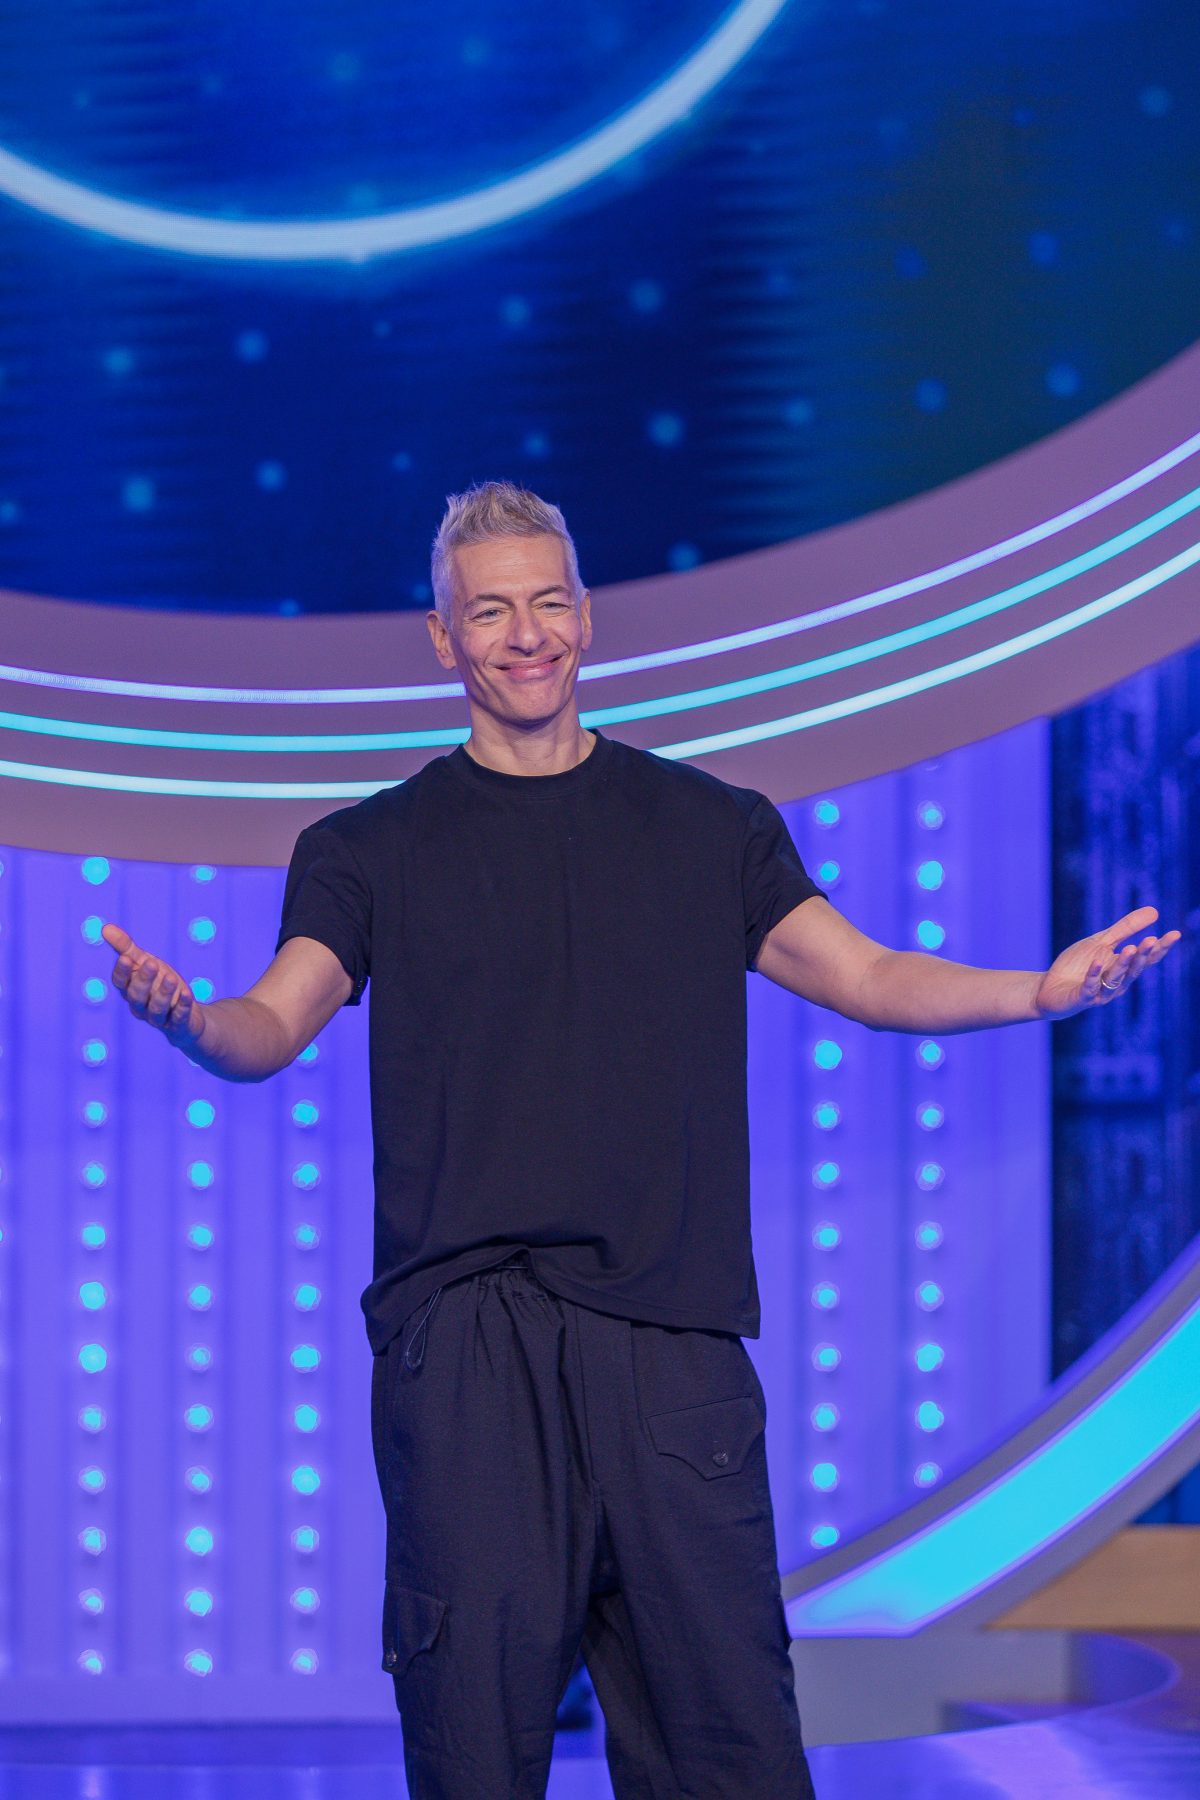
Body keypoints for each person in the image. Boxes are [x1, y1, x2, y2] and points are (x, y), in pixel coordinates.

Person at [102, 481, 1180, 1800]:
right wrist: (191, 1022)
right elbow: (272, 1022)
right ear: (442, 638)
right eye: (488, 612)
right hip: (470, 1350)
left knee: (729, 1749)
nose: (525, 635)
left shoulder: (710, 827)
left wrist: (1040, 991)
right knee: (475, 1748)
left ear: (586, 616)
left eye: (547, 602)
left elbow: (870, 976)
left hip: (673, 1346)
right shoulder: (367, 849)